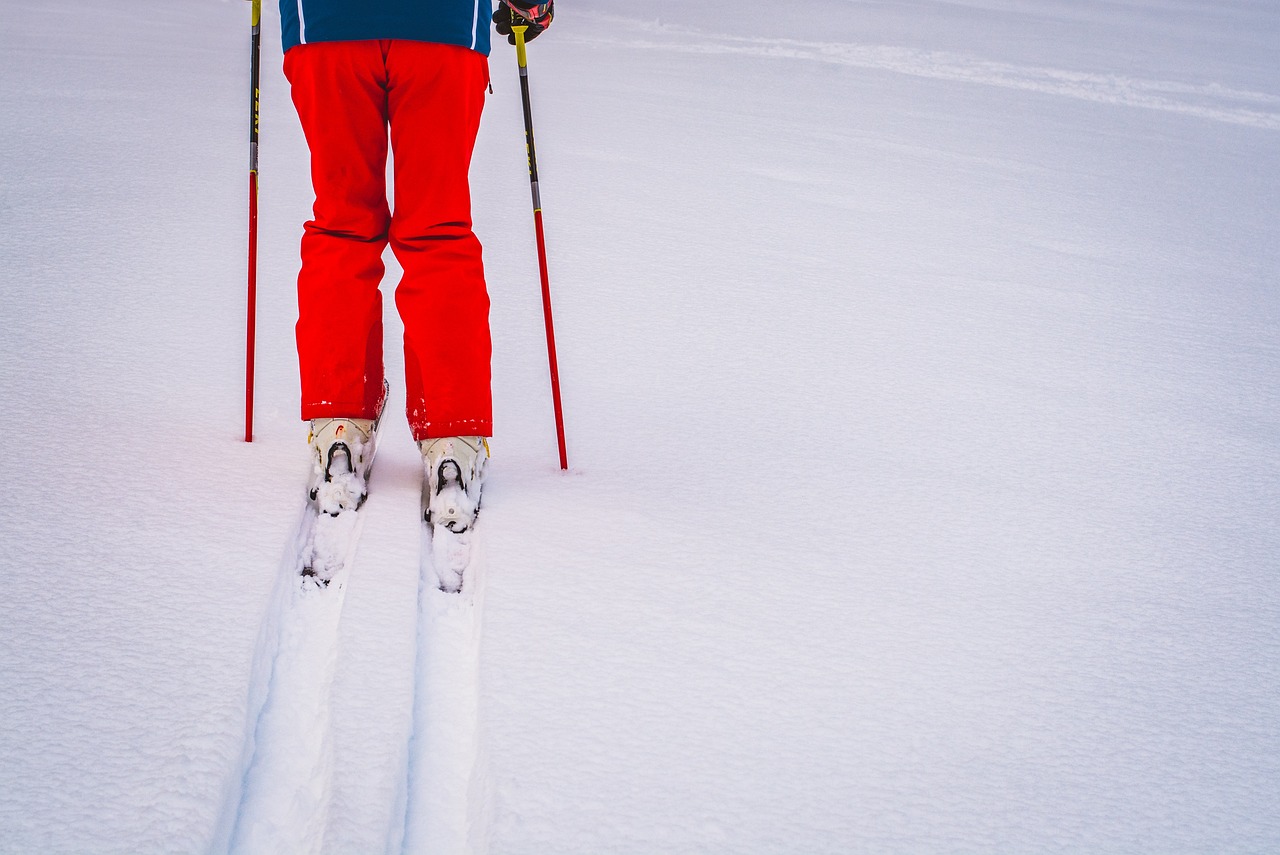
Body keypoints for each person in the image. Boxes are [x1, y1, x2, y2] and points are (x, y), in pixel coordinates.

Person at [279, 0, 553, 532]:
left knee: (342, 223)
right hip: (442, 26)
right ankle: (454, 438)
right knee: (437, 228)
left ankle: (341, 424)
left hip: (327, 25)